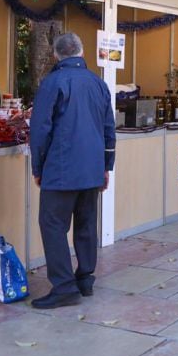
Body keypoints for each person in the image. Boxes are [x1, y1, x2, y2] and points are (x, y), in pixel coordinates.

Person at [29, 33, 116, 309]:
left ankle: (64, 286)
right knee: (87, 223)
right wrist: (106, 167)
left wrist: (38, 167)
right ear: (81, 51)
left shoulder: (52, 83)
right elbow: (108, 129)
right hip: (92, 168)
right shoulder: (99, 84)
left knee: (53, 225)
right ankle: (85, 279)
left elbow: (40, 130)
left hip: (61, 168)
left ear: (56, 55)